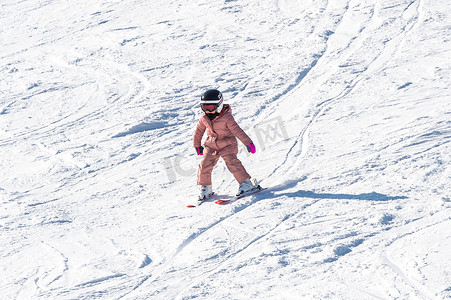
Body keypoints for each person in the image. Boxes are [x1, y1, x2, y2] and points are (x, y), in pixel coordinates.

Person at [193, 89, 258, 201]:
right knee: (204, 164)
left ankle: (246, 183)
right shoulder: (204, 117)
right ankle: (206, 187)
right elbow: (198, 131)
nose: (207, 111)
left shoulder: (227, 118)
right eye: (204, 108)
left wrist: (248, 143)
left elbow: (237, 130)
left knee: (232, 163)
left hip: (227, 144)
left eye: (210, 108)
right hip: (211, 144)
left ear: (219, 105)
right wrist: (197, 145)